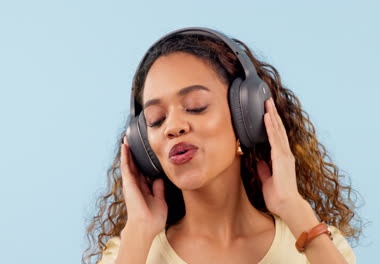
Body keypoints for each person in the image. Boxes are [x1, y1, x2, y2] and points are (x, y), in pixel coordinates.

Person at [82, 27, 363, 264]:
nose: (172, 127)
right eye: (156, 120)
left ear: (247, 115)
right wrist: (139, 232)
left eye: (196, 106)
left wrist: (293, 208)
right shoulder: (131, 252)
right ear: (144, 145)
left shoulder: (317, 244)